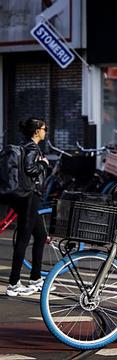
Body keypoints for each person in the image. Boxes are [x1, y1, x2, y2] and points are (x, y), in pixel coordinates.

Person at [6, 117, 50, 296]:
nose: (46, 131)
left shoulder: (23, 145)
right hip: (29, 197)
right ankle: (14, 283)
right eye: (44, 128)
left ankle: (35, 278)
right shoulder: (32, 147)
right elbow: (30, 169)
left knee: (40, 235)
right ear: (36, 131)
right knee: (24, 239)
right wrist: (43, 164)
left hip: (26, 196)